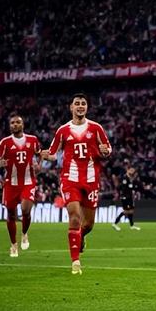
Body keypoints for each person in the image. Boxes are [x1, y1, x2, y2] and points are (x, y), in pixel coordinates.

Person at [42, 93, 112, 275]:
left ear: (86, 107)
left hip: (91, 180)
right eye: (77, 103)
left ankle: (80, 237)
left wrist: (105, 151)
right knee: (74, 217)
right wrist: (45, 155)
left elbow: (108, 149)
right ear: (71, 107)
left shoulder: (96, 128)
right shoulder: (63, 130)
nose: (80, 106)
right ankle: (75, 262)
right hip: (70, 179)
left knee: (88, 225)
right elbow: (53, 153)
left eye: (83, 103)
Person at [0, 114, 42, 257]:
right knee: (11, 214)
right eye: (12, 123)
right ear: (10, 126)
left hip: (28, 181)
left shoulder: (32, 140)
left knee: (26, 210)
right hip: (11, 183)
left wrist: (39, 165)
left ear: (22, 125)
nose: (15, 124)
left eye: (17, 122)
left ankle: (24, 233)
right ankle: (13, 244)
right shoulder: (5, 142)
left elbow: (40, 153)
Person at [112, 167, 142, 231]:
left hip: (129, 197)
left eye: (133, 170)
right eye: (131, 170)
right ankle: (115, 223)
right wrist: (124, 195)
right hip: (125, 197)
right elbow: (124, 188)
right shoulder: (125, 178)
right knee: (126, 211)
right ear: (128, 171)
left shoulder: (130, 178)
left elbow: (130, 187)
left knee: (131, 211)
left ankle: (132, 225)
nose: (132, 172)